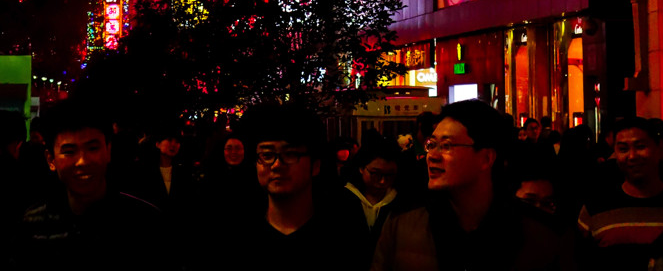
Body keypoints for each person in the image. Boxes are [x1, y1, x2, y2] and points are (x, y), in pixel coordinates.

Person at [371, 100, 574, 271]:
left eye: (447, 146)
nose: (432, 156)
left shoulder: (543, 235)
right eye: (431, 145)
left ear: (486, 158)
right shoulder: (403, 224)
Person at [18, 100, 163, 271]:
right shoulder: (33, 225)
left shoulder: (146, 223)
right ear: (51, 159)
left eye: (93, 148)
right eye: (69, 151)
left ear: (108, 151)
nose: (82, 161)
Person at [238, 103, 353, 271]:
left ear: (315, 166)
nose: (277, 165)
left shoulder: (343, 236)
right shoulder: (238, 235)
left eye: (290, 154)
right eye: (267, 155)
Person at [578, 116, 663, 271]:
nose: (632, 156)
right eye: (623, 149)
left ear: (659, 148)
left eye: (640, 146)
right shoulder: (595, 208)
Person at [341, 136, 400, 267]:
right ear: (361, 168)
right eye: (375, 173)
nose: (382, 181)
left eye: (389, 175)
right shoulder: (342, 199)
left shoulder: (399, 202)